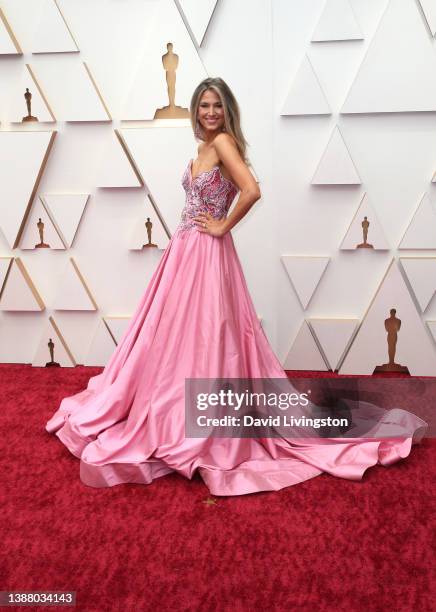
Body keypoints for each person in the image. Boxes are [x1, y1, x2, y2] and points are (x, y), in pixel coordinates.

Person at [45, 77, 427, 496]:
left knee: (208, 334)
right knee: (179, 336)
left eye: (217, 106)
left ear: (227, 111)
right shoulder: (203, 149)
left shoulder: (224, 143)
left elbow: (252, 190)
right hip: (185, 251)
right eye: (204, 105)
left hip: (207, 253)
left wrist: (223, 225)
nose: (210, 112)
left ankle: (195, 416)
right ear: (195, 110)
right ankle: (173, 405)